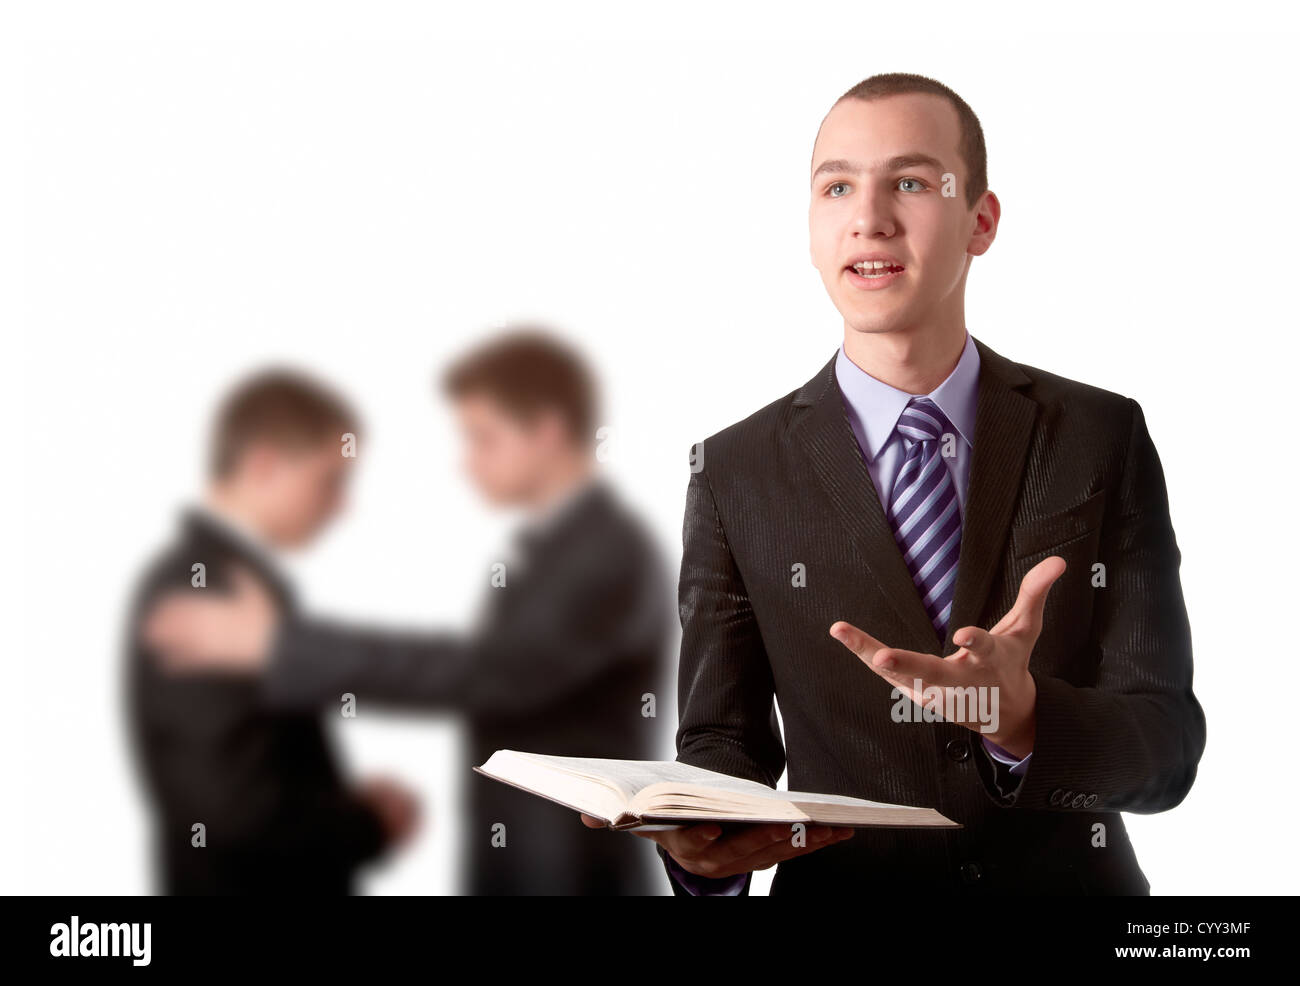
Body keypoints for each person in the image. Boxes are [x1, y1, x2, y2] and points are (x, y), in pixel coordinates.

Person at [597, 72, 1205, 895]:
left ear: (980, 221)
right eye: (837, 186)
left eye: (911, 183)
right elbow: (722, 744)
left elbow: (1164, 748)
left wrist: (1019, 717)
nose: (869, 216)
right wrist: (697, 848)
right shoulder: (732, 471)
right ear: (812, 225)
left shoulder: (1100, 435)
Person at [144, 330, 672, 895]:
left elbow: (494, 672)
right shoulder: (201, 589)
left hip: (568, 875)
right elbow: (227, 799)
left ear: (545, 432)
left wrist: (283, 648)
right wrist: (360, 822)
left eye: (482, 438)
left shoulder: (606, 553)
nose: (467, 463)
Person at [125, 369, 419, 895]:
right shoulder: (206, 590)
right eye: (330, 481)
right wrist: (369, 825)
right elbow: (233, 811)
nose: (341, 506)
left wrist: (341, 805)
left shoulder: (227, 580)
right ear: (263, 466)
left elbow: (259, 768)